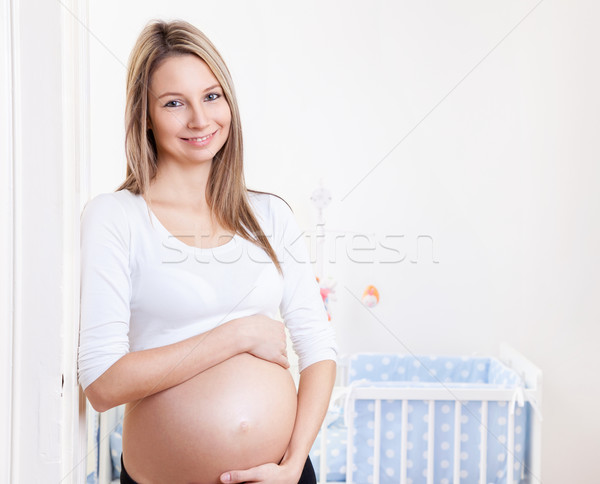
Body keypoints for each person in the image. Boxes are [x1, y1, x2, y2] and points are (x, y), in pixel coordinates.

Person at [77, 18, 337, 484]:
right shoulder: (115, 217)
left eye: (211, 96)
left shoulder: (270, 216)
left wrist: (294, 465)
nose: (200, 119)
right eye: (174, 103)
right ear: (145, 114)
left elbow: (318, 349)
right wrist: (234, 336)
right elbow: (102, 384)